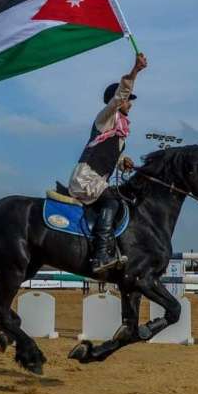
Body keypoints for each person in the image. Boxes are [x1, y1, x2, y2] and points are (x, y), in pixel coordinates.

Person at [68, 52, 147, 273]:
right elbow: (120, 95)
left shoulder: (120, 134)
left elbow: (112, 155)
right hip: (85, 179)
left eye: (130, 101)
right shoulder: (105, 118)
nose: (130, 105)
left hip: (97, 180)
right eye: (128, 100)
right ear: (118, 100)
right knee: (112, 200)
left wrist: (124, 162)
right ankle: (100, 255)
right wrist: (135, 70)